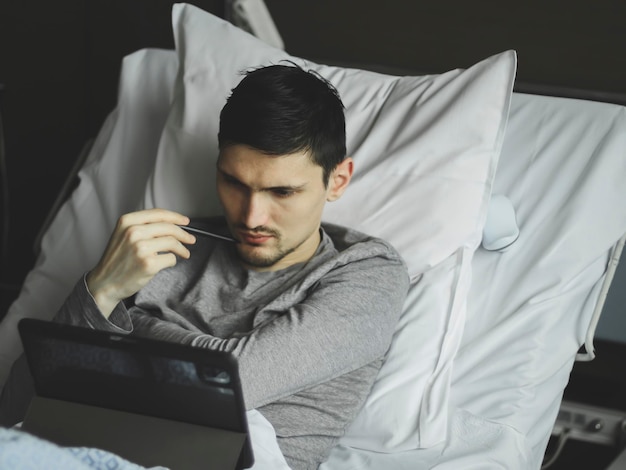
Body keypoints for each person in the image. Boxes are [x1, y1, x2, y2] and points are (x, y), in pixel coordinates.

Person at [10, 64, 410, 469]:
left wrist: (137, 326)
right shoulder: (159, 246)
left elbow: (234, 381)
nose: (252, 216)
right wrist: (100, 291)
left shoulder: (366, 271)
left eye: (282, 191)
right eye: (234, 183)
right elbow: (17, 406)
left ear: (337, 181)